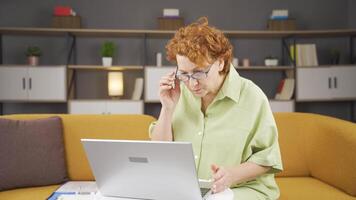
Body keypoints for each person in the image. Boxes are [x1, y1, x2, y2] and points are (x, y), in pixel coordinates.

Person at [149, 17, 283, 200]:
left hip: (242, 190)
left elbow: (268, 159)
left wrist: (232, 174)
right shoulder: (179, 93)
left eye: (199, 72)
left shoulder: (252, 96)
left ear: (221, 62)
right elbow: (159, 153)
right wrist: (167, 108)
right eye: (184, 74)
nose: (192, 83)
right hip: (190, 191)